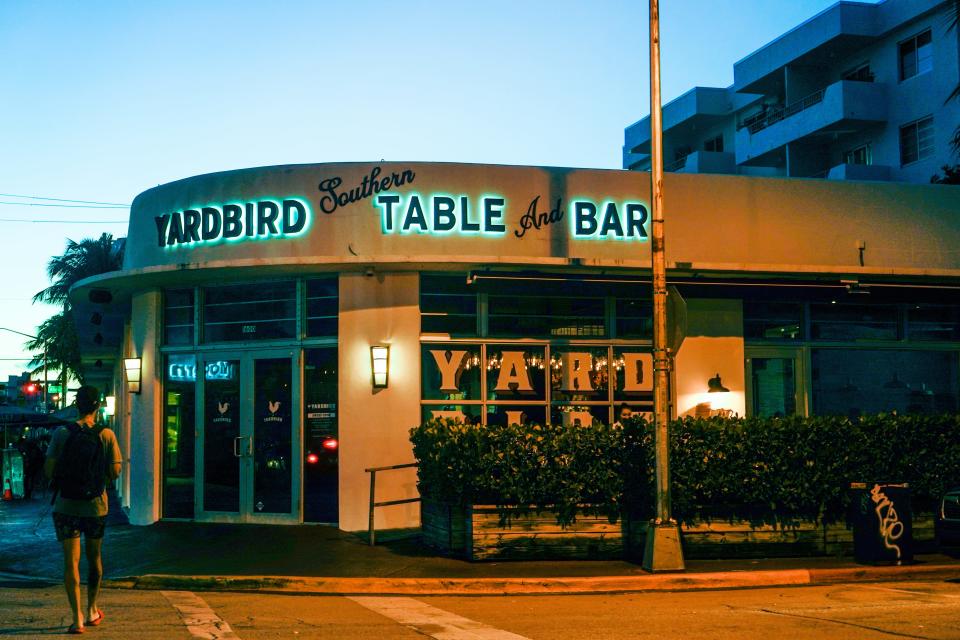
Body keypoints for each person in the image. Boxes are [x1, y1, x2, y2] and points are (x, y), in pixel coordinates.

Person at [43, 386, 122, 635]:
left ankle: (76, 618)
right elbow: (116, 471)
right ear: (97, 406)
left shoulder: (61, 433)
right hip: (96, 506)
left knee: (71, 562)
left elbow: (48, 472)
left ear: (77, 405)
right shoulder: (106, 434)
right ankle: (92, 609)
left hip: (66, 505)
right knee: (94, 559)